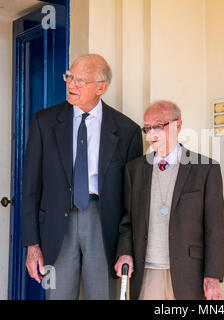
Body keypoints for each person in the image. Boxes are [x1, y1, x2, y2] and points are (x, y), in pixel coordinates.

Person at [22, 54, 143, 300]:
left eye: (80, 80)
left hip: (103, 223)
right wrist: (32, 245)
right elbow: (31, 187)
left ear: (101, 87)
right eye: (69, 77)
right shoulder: (44, 122)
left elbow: (132, 200)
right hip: (56, 224)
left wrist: (126, 247)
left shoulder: (127, 130)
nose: (70, 85)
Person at [114, 100, 224, 300]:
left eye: (157, 126)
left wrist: (213, 276)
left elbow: (215, 228)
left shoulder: (205, 169)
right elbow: (127, 221)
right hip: (147, 272)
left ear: (178, 126)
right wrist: (124, 253)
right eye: (147, 128)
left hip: (189, 274)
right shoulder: (135, 170)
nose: (150, 135)